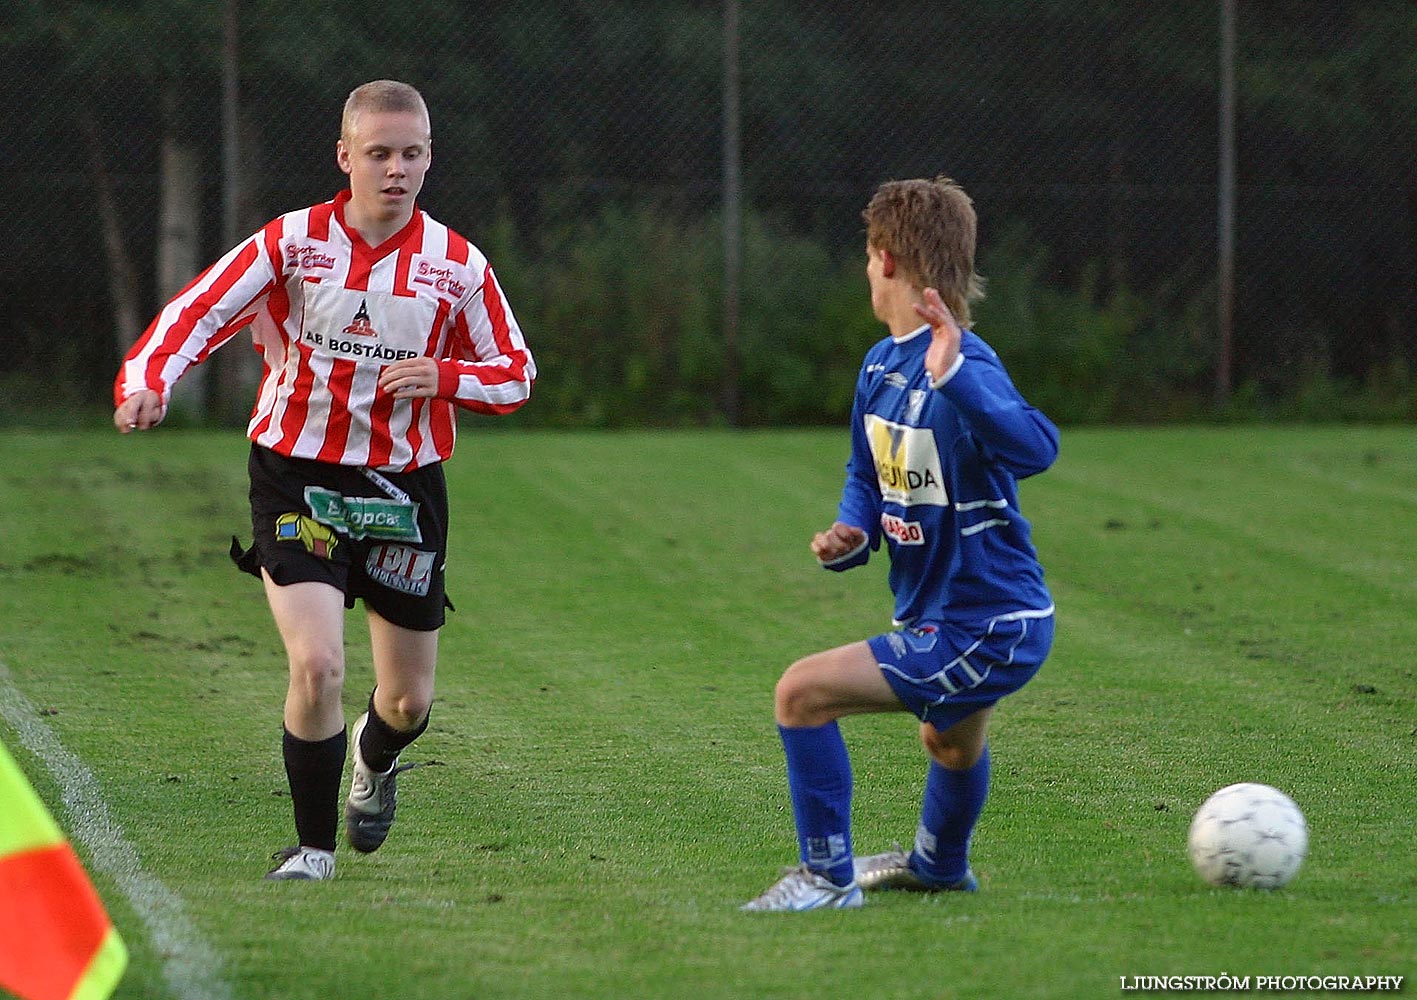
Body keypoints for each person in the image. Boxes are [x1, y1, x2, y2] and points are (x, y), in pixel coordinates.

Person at [113, 80, 535, 881]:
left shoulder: (457, 266)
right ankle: (311, 851)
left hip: (402, 492)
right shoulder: (292, 242)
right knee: (318, 666)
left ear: (429, 159)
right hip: (295, 477)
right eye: (378, 153)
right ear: (345, 157)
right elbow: (199, 311)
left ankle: (374, 763)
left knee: (406, 702)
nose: (396, 169)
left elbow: (516, 376)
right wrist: (148, 379)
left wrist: (444, 376)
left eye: (412, 154)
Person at [742, 176, 1057, 911]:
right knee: (948, 744)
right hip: (944, 613)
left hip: (988, 624)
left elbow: (1036, 448)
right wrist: (850, 533)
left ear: (884, 259)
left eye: (864, 254)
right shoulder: (880, 365)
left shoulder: (962, 362)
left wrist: (956, 379)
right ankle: (940, 867)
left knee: (801, 693)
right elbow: (867, 472)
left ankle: (824, 877)